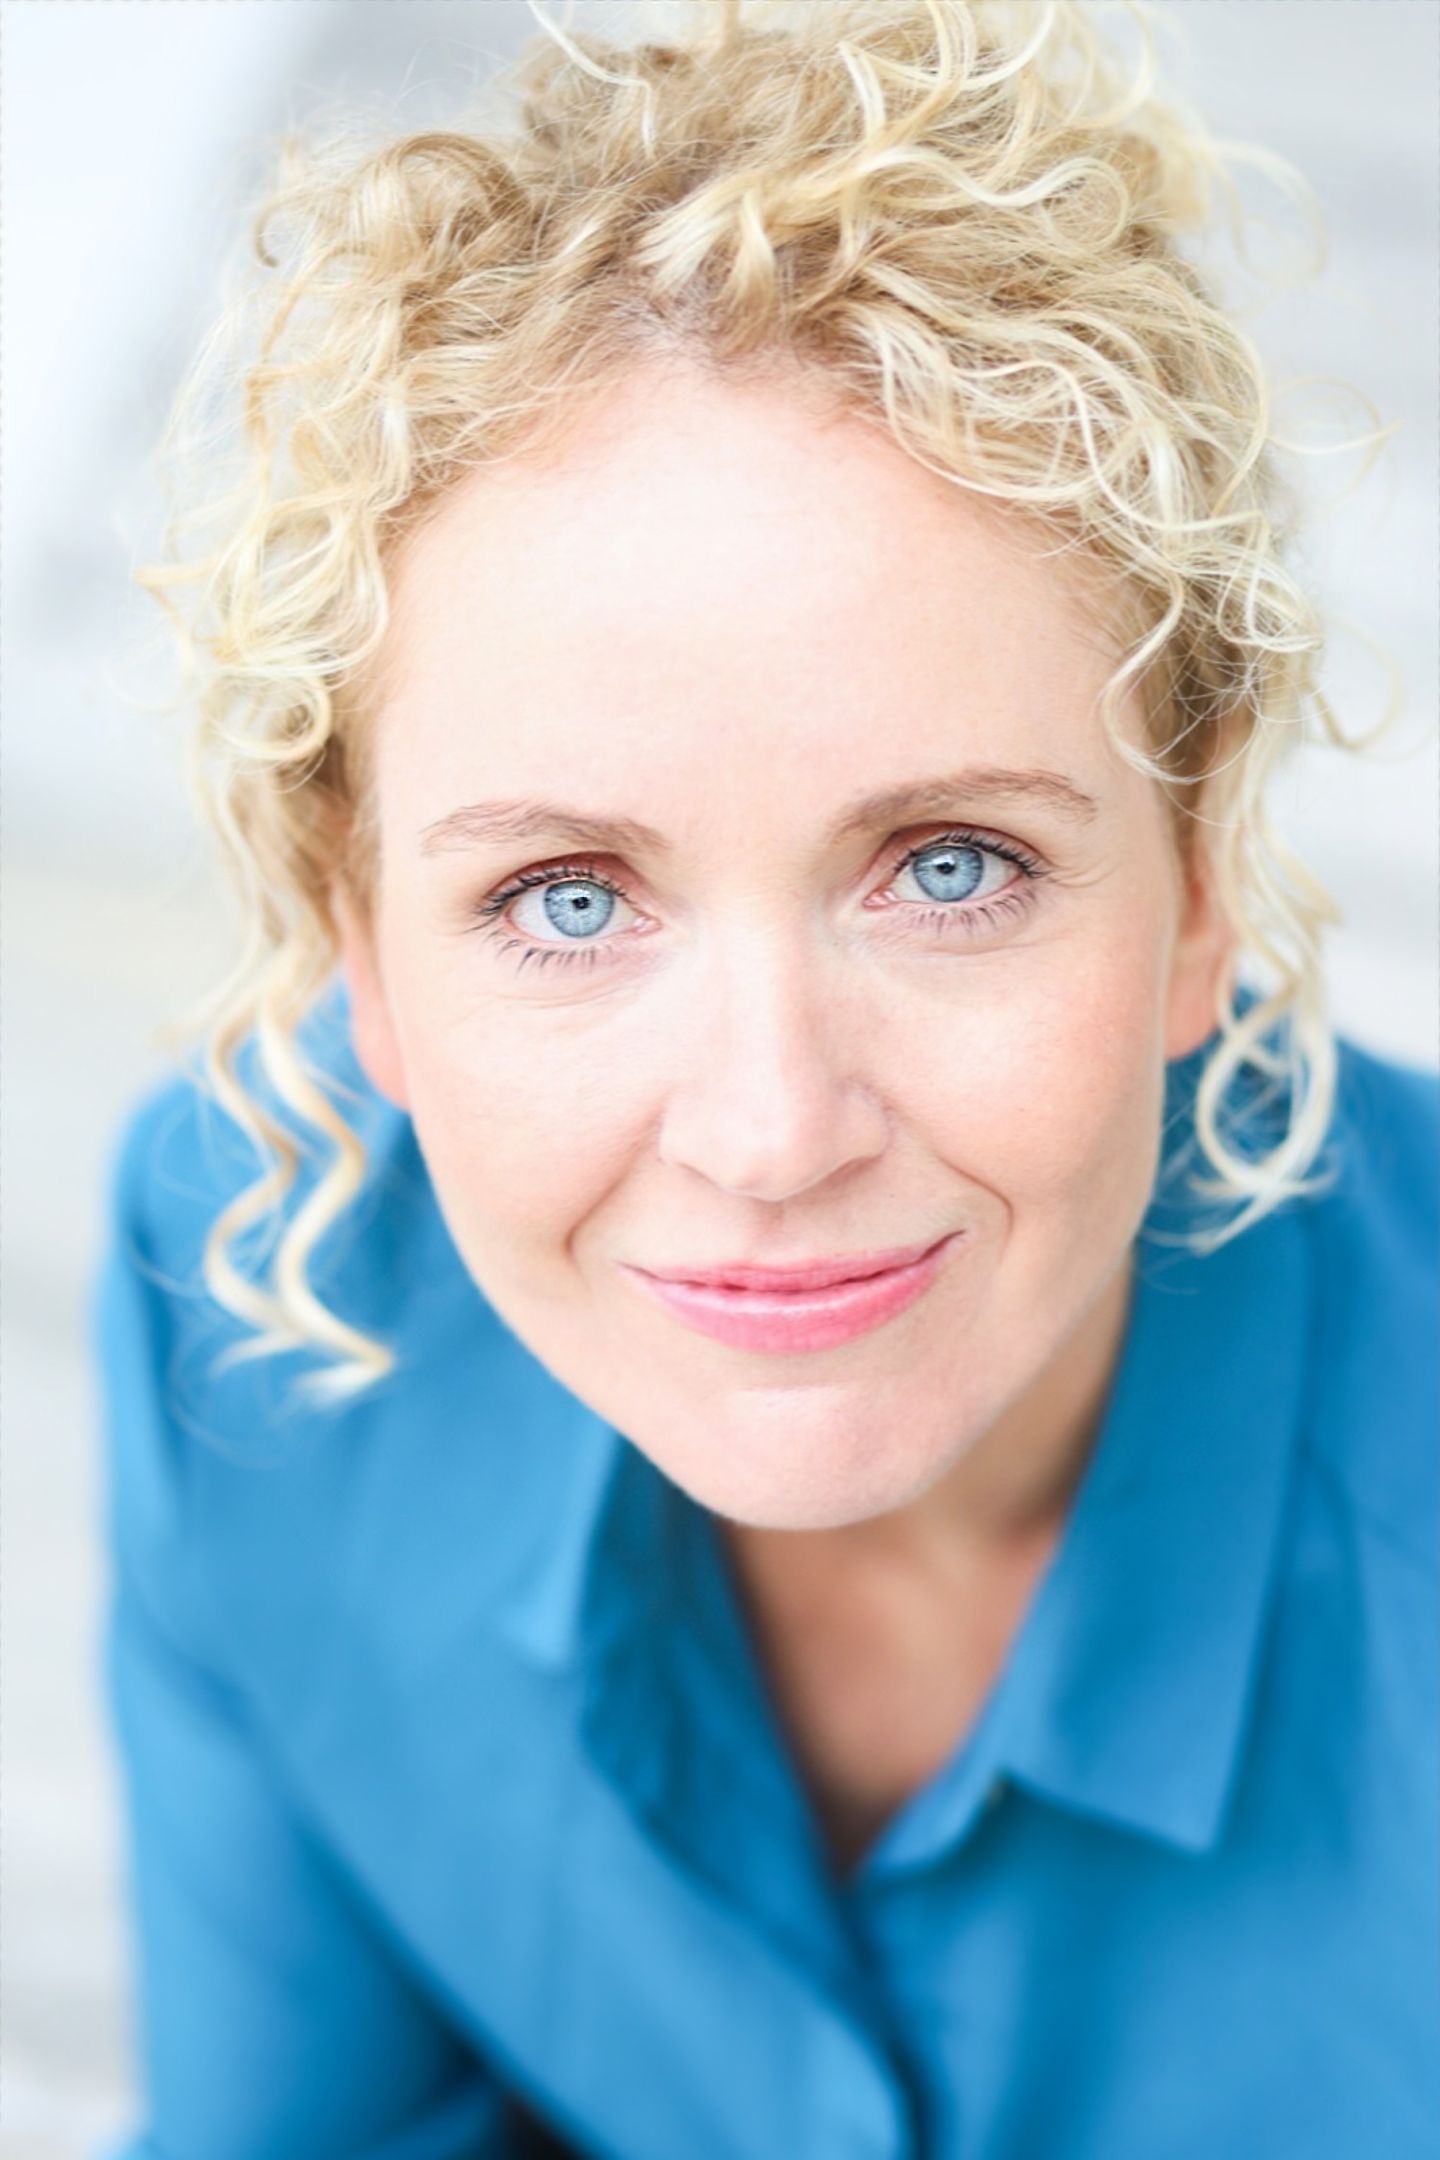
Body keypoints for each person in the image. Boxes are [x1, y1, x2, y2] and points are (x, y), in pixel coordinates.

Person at [92, 2, 1438, 2155]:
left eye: (952, 867)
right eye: (564, 898)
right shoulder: (265, 1304)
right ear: (364, 952)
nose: (769, 1130)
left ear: (1202, 886)